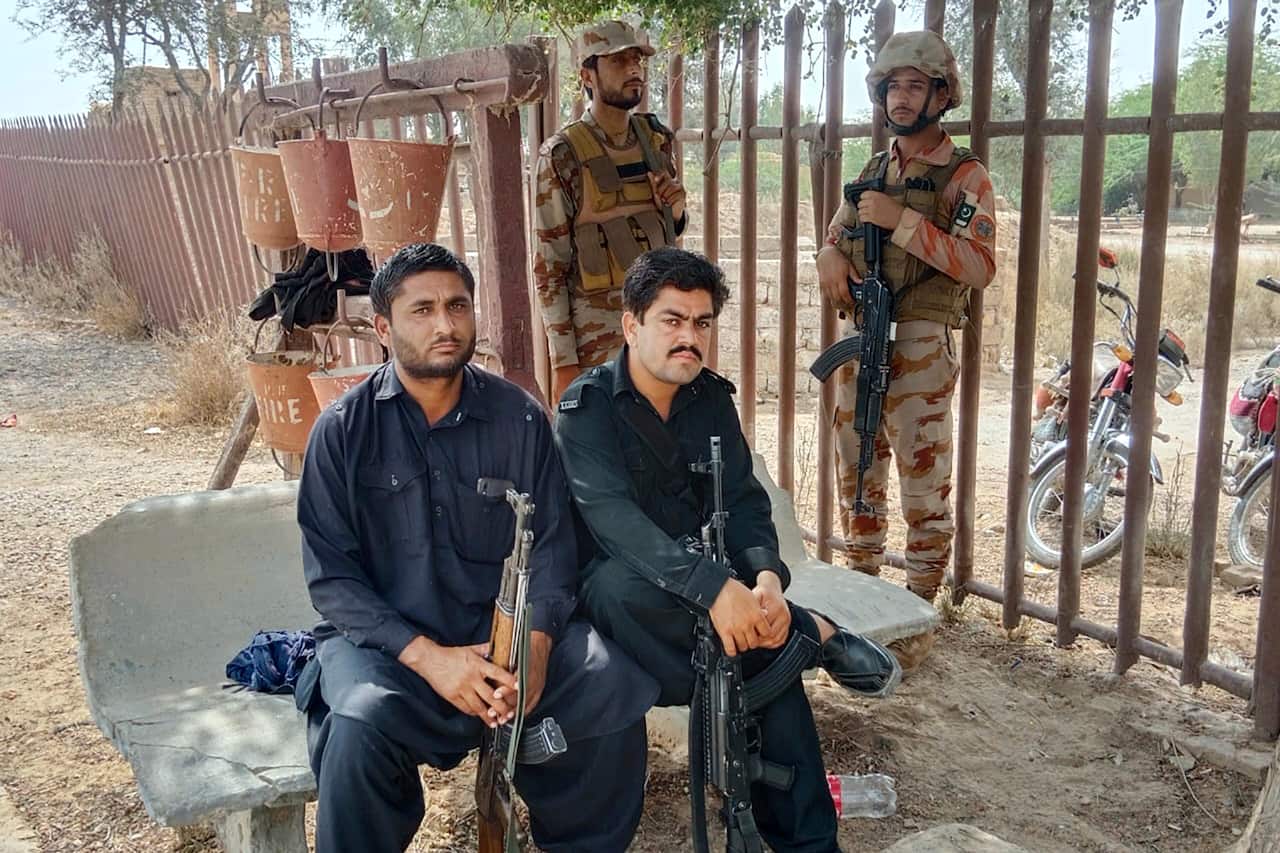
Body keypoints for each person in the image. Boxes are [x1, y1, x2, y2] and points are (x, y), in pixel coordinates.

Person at [295, 243, 658, 853]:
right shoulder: (343, 431)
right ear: (383, 328)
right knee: (356, 724)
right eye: (423, 310)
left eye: (458, 306)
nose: (445, 324)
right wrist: (431, 659)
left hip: (506, 642)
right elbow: (333, 579)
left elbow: (550, 549)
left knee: (610, 685)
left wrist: (535, 649)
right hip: (395, 651)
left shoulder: (519, 417)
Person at [554, 246, 900, 853]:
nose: (690, 337)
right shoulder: (586, 411)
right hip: (634, 605)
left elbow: (742, 499)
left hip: (715, 600)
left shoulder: (711, 398)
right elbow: (616, 525)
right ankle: (808, 632)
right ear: (631, 325)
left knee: (764, 663)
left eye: (702, 323)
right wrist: (717, 591)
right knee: (624, 589)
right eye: (672, 320)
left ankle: (811, 843)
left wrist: (766, 578)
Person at [816, 31, 998, 602]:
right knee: (858, 472)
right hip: (862, 338)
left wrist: (903, 222)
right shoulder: (874, 169)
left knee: (923, 486)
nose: (901, 97)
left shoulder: (963, 176)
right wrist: (826, 255)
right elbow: (836, 234)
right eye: (892, 86)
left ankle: (918, 607)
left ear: (940, 96)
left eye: (914, 86)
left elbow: (979, 265)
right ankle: (862, 596)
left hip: (921, 345)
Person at [534, 19, 689, 403]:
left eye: (637, 58)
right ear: (588, 74)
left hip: (659, 329)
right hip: (596, 342)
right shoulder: (562, 155)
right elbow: (548, 266)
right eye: (618, 60)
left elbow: (668, 232)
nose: (634, 68)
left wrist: (678, 209)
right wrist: (563, 360)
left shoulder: (656, 140)